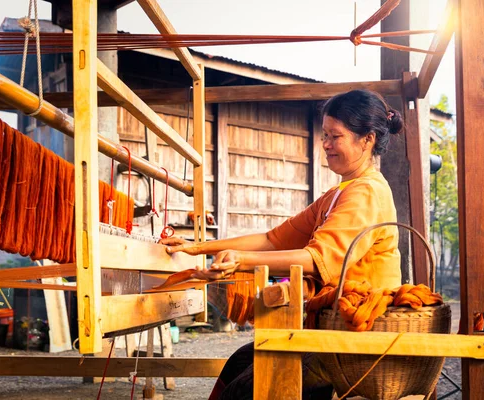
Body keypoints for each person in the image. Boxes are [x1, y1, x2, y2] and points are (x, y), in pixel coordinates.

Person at [160, 89, 404, 399]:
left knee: (246, 388)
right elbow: (272, 239)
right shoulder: (338, 194)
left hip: (355, 333)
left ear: (367, 139)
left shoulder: (365, 192)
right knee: (240, 362)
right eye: (325, 135)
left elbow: (318, 260)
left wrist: (241, 260)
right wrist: (197, 247)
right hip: (330, 325)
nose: (326, 144)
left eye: (335, 136)